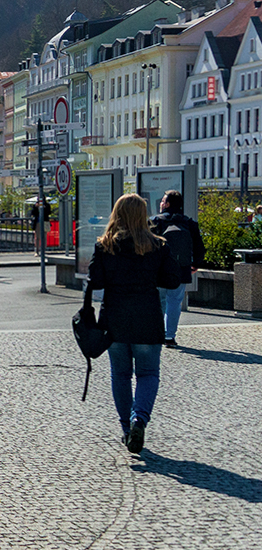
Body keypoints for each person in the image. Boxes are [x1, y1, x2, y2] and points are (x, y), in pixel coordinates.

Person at [89, 193, 179, 453]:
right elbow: (173, 280)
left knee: (121, 374)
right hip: (147, 320)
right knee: (148, 374)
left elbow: (96, 281)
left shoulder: (104, 245)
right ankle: (139, 418)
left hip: (115, 320)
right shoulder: (158, 246)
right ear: (143, 216)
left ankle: (127, 430)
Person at [150, 190, 205, 347]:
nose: (161, 203)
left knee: (159, 301)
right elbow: (199, 247)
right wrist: (195, 264)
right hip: (181, 268)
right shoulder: (189, 223)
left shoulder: (155, 221)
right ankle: (170, 336)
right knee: (175, 301)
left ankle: (156, 333)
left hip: (159, 269)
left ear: (166, 204)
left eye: (162, 201)